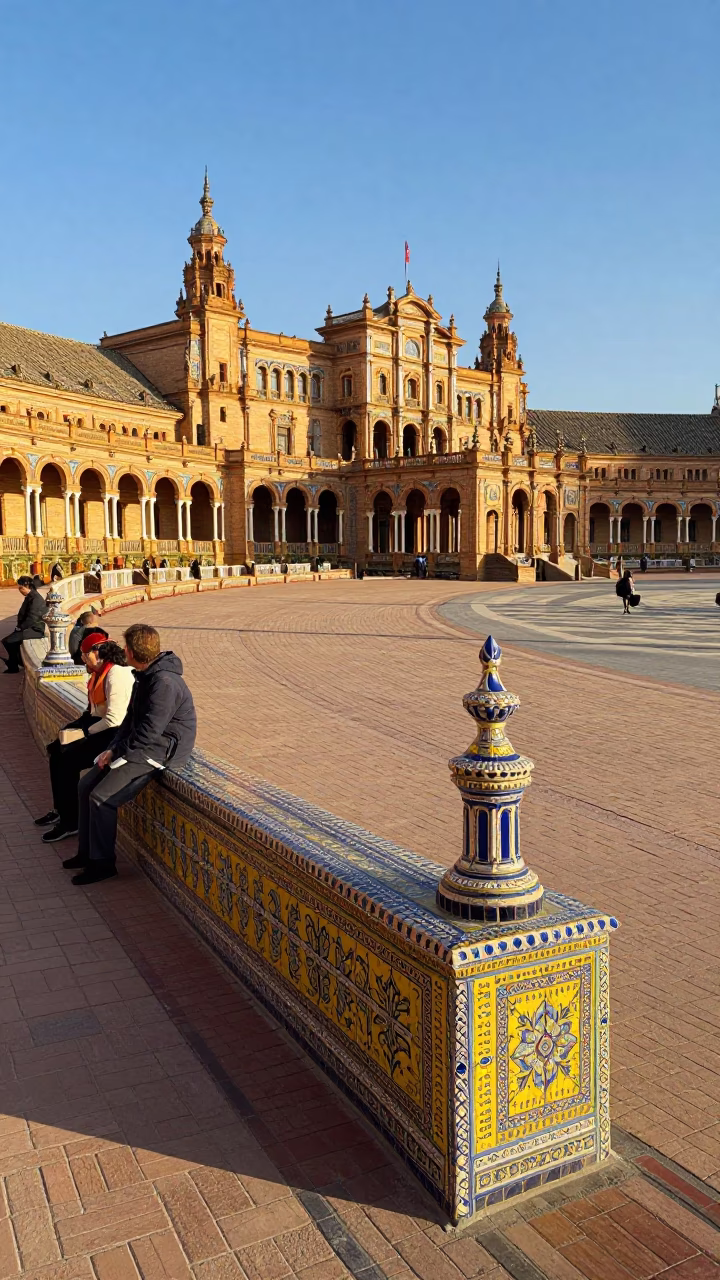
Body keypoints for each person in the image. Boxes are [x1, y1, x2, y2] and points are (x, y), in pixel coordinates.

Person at [65, 623, 197, 885]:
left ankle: (103, 864)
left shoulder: (164, 683)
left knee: (102, 797)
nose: (123, 650)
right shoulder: (145, 674)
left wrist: (117, 754)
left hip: (159, 752)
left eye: (126, 647)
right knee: (85, 785)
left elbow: (149, 733)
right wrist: (111, 748)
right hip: (142, 745)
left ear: (134, 652)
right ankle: (87, 854)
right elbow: (129, 720)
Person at [39, 639, 135, 844]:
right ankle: (62, 810)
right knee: (56, 752)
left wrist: (84, 733)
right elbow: (93, 711)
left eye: (85, 654)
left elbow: (114, 718)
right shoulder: (100, 673)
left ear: (98, 652)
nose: (83, 659)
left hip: (114, 734)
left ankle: (70, 821)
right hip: (99, 726)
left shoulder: (117, 673)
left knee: (67, 761)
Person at [1, 576, 47, 674]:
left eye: (21, 588)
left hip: (35, 629)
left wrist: (20, 628)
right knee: (9, 641)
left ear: (27, 586)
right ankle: (15, 663)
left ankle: (14, 665)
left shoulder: (36, 599)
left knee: (8, 641)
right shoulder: (31, 597)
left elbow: (32, 618)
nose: (20, 591)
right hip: (28, 628)